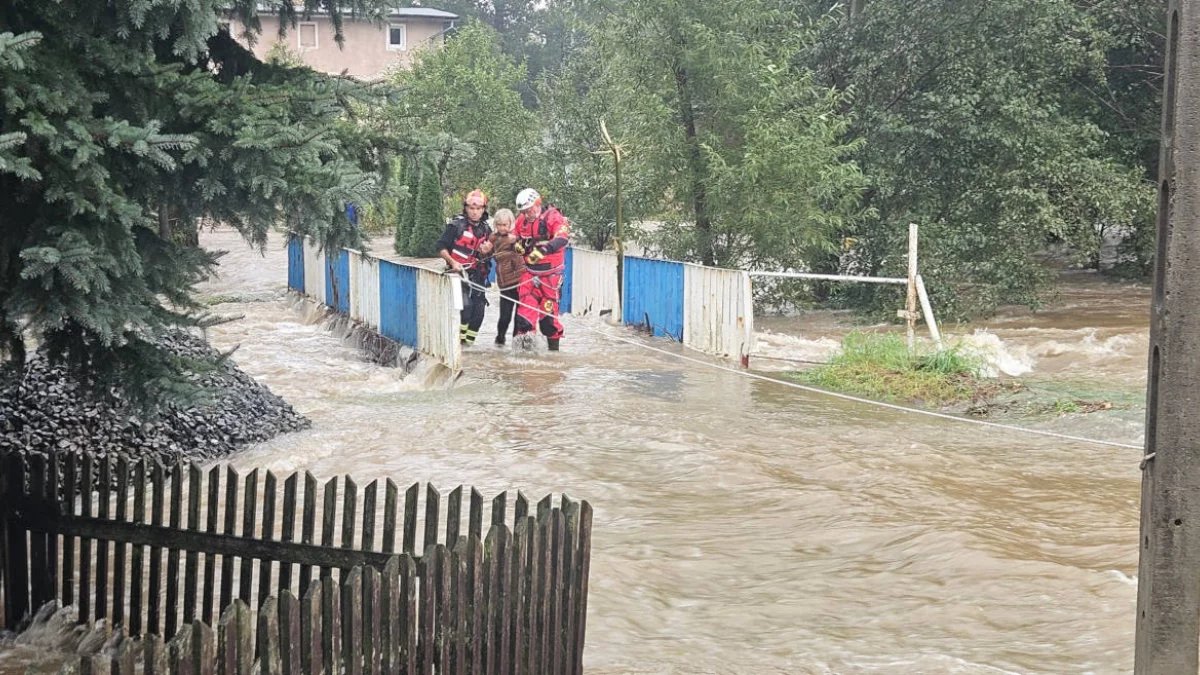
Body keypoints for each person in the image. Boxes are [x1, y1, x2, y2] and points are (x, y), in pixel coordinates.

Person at [511, 188, 569, 351]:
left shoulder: (553, 218)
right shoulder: (521, 221)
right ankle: (525, 360)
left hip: (550, 277)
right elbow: (515, 238)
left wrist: (543, 251)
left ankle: (553, 356)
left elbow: (562, 238)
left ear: (538, 204)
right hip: (530, 275)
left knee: (548, 321)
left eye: (529, 210)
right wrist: (517, 246)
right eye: (523, 211)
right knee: (524, 319)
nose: (527, 214)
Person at [437, 189, 493, 346]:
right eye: (471, 208)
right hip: (457, 274)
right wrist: (452, 262)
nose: (475, 212)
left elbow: (490, 254)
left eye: (478, 209)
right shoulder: (456, 226)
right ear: (466, 208)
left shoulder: (486, 230)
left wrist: (487, 251)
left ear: (483, 210)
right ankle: (458, 343)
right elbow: (441, 246)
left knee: (479, 312)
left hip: (477, 275)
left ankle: (469, 346)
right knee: (465, 306)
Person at [489, 208, 524, 345]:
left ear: (511, 224)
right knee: (504, 317)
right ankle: (500, 339)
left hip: (519, 281)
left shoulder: (515, 236)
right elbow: (485, 253)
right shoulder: (493, 238)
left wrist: (515, 241)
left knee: (519, 317)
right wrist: (484, 250)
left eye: (505, 225)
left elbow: (522, 248)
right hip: (504, 283)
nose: (502, 228)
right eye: (499, 225)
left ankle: (516, 344)